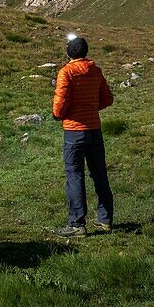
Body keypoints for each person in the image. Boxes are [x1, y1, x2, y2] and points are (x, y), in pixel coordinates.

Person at [51, 36, 114, 237]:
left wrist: (57, 115)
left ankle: (77, 224)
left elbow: (60, 101)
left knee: (75, 175)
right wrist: (91, 109)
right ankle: (105, 219)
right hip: (94, 128)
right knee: (99, 174)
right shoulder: (95, 71)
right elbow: (107, 99)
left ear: (69, 52)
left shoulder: (66, 72)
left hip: (73, 131)